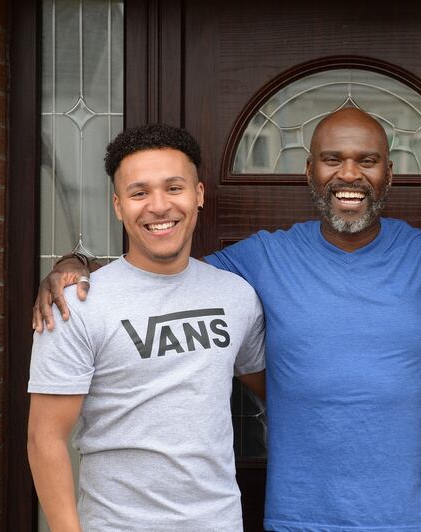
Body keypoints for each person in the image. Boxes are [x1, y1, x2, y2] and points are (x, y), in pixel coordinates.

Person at [33, 109, 421, 532]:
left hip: (411, 516)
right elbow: (162, 265)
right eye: (333, 159)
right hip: (297, 516)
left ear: (389, 173)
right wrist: (76, 267)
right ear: (309, 171)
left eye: (367, 160)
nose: (349, 174)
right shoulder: (258, 260)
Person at [27, 124, 266, 532]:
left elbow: (276, 392)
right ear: (119, 206)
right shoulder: (75, 305)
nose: (159, 206)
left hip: (219, 522)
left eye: (174, 188)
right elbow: (45, 439)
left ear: (199, 195)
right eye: (139, 193)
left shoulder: (238, 296)